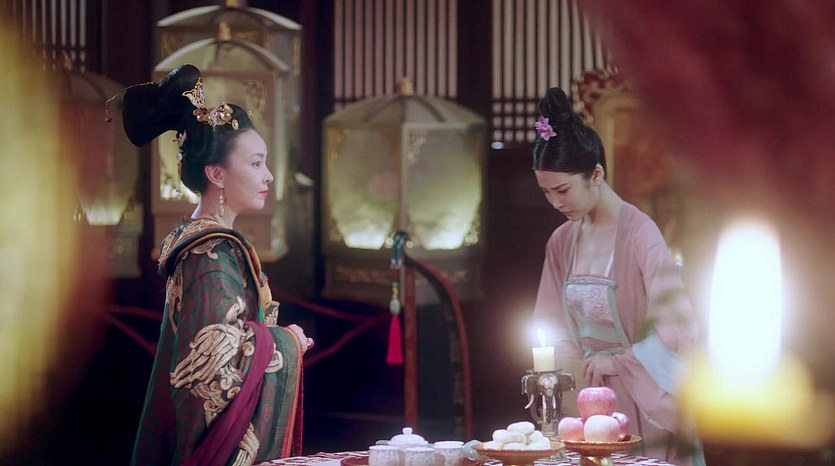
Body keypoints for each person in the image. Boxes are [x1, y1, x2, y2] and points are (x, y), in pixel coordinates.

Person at [118, 64, 312, 466]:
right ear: (217, 173)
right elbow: (212, 375)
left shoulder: (203, 242)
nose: (269, 176)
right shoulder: (210, 255)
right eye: (256, 163)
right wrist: (287, 341)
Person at [530, 88, 704, 466]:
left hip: (641, 397)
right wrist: (576, 373)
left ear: (596, 174)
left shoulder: (641, 234)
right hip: (585, 397)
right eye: (546, 192)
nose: (556, 202)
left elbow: (677, 323)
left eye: (563, 190)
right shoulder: (561, 241)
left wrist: (622, 362)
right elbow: (549, 321)